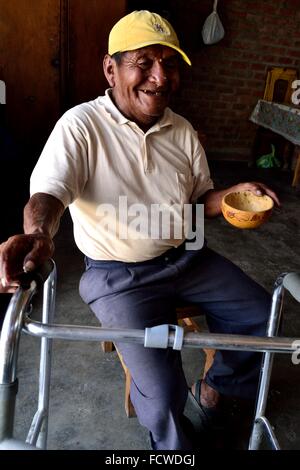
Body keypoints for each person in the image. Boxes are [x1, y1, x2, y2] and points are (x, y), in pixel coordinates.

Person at [0, 10, 279, 450]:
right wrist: (38, 234)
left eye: (169, 63)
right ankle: (172, 450)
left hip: (187, 257)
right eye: (144, 62)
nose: (159, 77)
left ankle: (216, 389)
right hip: (118, 275)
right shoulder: (81, 126)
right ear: (110, 69)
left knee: (262, 315)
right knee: (163, 396)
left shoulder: (183, 131)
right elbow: (49, 196)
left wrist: (228, 196)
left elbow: (197, 199)